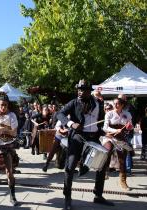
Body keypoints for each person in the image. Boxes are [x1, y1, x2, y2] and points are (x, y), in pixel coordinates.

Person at [57, 79, 113, 210]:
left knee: (102, 164)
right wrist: (71, 124)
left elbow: (100, 121)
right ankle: (67, 197)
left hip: (93, 137)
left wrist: (103, 132)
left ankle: (98, 195)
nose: (80, 92)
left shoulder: (98, 103)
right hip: (78, 137)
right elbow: (60, 114)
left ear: (89, 91)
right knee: (70, 167)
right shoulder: (74, 102)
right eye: (79, 89)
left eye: (83, 90)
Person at [103, 97, 133, 191]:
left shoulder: (127, 114)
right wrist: (115, 130)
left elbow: (130, 126)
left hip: (121, 139)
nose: (115, 105)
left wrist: (129, 127)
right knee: (107, 150)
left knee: (122, 160)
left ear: (122, 105)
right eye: (114, 103)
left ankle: (123, 181)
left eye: (117, 104)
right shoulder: (109, 113)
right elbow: (105, 127)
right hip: (110, 137)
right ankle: (105, 171)